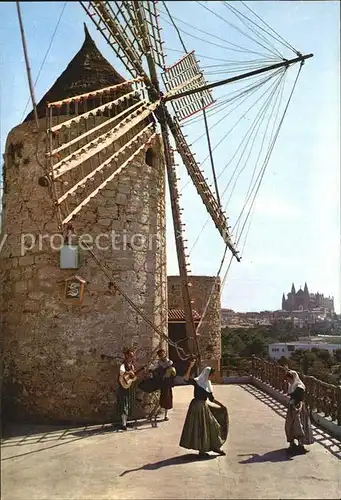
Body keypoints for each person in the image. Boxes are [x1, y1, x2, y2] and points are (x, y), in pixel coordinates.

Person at [179, 358, 228, 457]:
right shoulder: (197, 382)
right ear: (208, 374)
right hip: (197, 406)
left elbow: (211, 399)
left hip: (203, 406)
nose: (213, 376)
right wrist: (190, 367)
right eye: (212, 375)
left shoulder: (207, 384)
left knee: (210, 426)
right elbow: (186, 379)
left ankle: (213, 447)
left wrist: (221, 405)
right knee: (200, 428)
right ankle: (203, 450)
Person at [284, 369, 313, 454]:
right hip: (292, 407)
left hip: (297, 408)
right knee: (289, 426)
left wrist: (299, 408)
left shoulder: (299, 386)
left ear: (293, 378)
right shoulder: (292, 385)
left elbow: (300, 399)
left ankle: (301, 445)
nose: (287, 381)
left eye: (288, 379)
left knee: (299, 426)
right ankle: (292, 444)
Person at [149, 348, 176, 422]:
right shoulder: (158, 363)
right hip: (160, 381)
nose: (161, 356)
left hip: (167, 382)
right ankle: (157, 410)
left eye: (162, 354)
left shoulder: (170, 362)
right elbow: (152, 369)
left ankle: (166, 414)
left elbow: (173, 373)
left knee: (167, 397)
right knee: (157, 395)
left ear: (165, 354)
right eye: (160, 355)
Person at [117, 349, 136, 430]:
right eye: (131, 355)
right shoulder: (123, 365)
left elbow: (134, 377)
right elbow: (121, 372)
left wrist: (133, 376)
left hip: (129, 387)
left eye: (132, 356)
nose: (132, 357)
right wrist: (129, 373)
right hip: (123, 387)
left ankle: (126, 422)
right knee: (124, 404)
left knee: (129, 404)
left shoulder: (132, 366)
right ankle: (123, 424)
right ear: (127, 356)